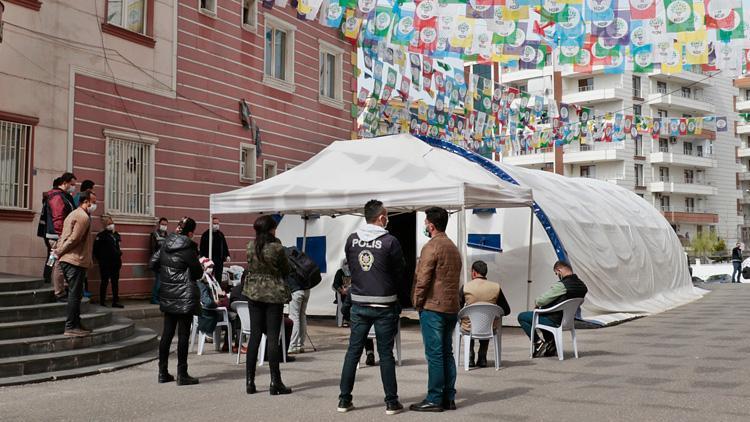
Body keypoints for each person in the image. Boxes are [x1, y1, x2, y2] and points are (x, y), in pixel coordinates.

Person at [338, 200, 406, 415]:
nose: (387, 219)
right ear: (380, 217)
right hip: (385, 303)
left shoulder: (352, 240)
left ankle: (344, 400)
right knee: (386, 354)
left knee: (353, 352)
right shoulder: (390, 241)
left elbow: (351, 268)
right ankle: (391, 403)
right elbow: (400, 271)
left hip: (359, 302)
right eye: (386, 215)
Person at [410, 206, 462, 413]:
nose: (424, 226)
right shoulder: (452, 246)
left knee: (435, 354)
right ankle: (449, 396)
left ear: (431, 226)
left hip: (433, 307)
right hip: (451, 307)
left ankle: (434, 398)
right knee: (447, 352)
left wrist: (417, 302)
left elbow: (422, 279)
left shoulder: (431, 246)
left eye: (425, 223)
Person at [243, 215, 293, 395]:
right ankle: (275, 381)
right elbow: (286, 270)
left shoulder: (250, 246)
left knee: (255, 336)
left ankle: (250, 381)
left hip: (253, 294)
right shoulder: (277, 248)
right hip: (273, 294)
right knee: (272, 337)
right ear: (270, 229)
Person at [150, 217, 202, 386]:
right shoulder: (189, 248)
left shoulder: (166, 243)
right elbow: (197, 272)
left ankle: (162, 372)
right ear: (191, 232)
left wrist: (166, 275)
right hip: (184, 295)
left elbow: (153, 263)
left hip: (167, 293)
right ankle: (182, 373)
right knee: (183, 335)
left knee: (167, 334)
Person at [517, 261, 588, 358]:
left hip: (554, 320)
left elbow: (541, 300)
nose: (557, 275)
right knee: (542, 313)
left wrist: (537, 305)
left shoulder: (562, 285)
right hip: (568, 320)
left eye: (556, 273)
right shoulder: (582, 286)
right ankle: (551, 344)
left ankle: (538, 343)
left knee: (523, 316)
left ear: (559, 270)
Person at [53, 190, 95, 337]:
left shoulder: (73, 214)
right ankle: (71, 326)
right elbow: (74, 239)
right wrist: (60, 251)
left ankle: (77, 323)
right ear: (86, 201)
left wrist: (59, 250)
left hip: (72, 259)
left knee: (76, 295)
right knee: (74, 295)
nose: (94, 205)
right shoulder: (83, 217)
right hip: (74, 260)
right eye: (93, 202)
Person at [459, 260, 510, 368]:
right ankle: (482, 357)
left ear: (473, 272)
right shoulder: (496, 287)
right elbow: (506, 310)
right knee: (488, 320)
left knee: (468, 321)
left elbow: (457, 308)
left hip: (469, 327)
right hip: (489, 328)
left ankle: (470, 355)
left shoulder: (466, 287)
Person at [332, 259, 375, 365]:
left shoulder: (358, 272)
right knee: (363, 329)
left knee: (362, 330)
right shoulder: (340, 272)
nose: (347, 266)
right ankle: (368, 353)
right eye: (345, 264)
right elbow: (336, 284)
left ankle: (368, 354)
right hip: (350, 300)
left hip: (357, 303)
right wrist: (342, 291)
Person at [47, 173, 77, 302]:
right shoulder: (57, 197)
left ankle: (61, 289)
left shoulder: (63, 196)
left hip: (59, 235)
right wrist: (63, 236)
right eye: (72, 184)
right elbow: (58, 218)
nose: (73, 187)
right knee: (59, 263)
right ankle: (59, 292)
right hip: (58, 235)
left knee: (59, 262)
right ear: (65, 182)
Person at [93, 215, 123, 308]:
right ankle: (102, 301)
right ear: (105, 224)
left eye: (112, 223)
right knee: (104, 282)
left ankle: (115, 301)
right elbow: (95, 250)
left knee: (115, 283)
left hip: (115, 263)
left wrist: (119, 254)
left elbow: (118, 247)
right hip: (105, 263)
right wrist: (102, 259)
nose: (111, 225)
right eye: (109, 223)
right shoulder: (101, 236)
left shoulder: (116, 235)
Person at [200, 217, 231, 282]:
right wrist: (203, 259)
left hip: (219, 260)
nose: (216, 225)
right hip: (209, 260)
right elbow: (202, 248)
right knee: (209, 277)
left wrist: (227, 255)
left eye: (217, 223)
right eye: (214, 223)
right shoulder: (206, 234)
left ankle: (218, 290)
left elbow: (224, 245)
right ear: (210, 224)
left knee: (218, 276)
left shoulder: (220, 234)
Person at [150, 217, 170, 304]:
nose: (164, 226)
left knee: (163, 282)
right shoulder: (154, 235)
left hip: (165, 262)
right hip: (158, 262)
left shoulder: (167, 236)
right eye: (162, 224)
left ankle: (159, 298)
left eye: (165, 224)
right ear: (159, 224)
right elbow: (152, 249)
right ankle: (154, 299)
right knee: (158, 281)